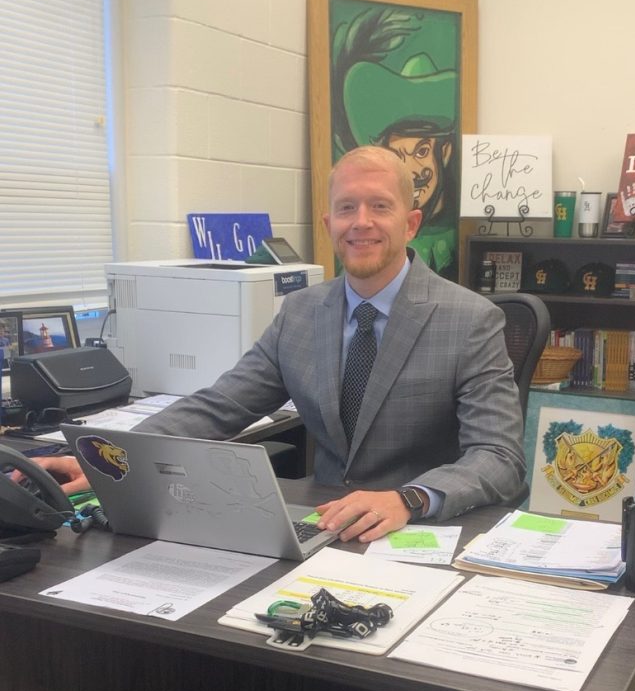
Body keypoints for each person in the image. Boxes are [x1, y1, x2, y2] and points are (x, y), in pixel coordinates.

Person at [30, 146, 525, 542]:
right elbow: (220, 406)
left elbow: (500, 458)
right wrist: (106, 455)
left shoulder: (470, 320)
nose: (362, 222)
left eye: (380, 206)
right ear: (328, 224)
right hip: (322, 523)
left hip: (418, 530)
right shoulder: (301, 313)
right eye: (346, 208)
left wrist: (409, 498)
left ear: (410, 223)